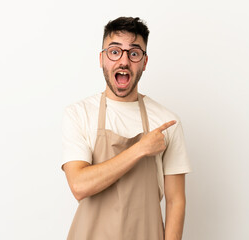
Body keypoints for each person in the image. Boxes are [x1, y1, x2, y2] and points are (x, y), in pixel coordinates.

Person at [61, 17, 191, 240]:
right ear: (102, 59)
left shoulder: (166, 121)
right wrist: (140, 149)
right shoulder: (79, 114)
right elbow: (79, 186)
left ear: (144, 62)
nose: (123, 61)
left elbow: (175, 200)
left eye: (133, 53)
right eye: (114, 52)